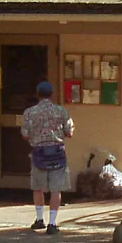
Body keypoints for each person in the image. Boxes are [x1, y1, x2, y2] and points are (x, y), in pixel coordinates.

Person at [20, 80, 74, 234]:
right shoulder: (61, 111)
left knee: (38, 188)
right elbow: (69, 132)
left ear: (38, 95)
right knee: (56, 189)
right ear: (52, 94)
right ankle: (52, 223)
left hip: (39, 153)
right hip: (57, 152)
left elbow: (25, 135)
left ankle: (39, 220)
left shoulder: (29, 112)